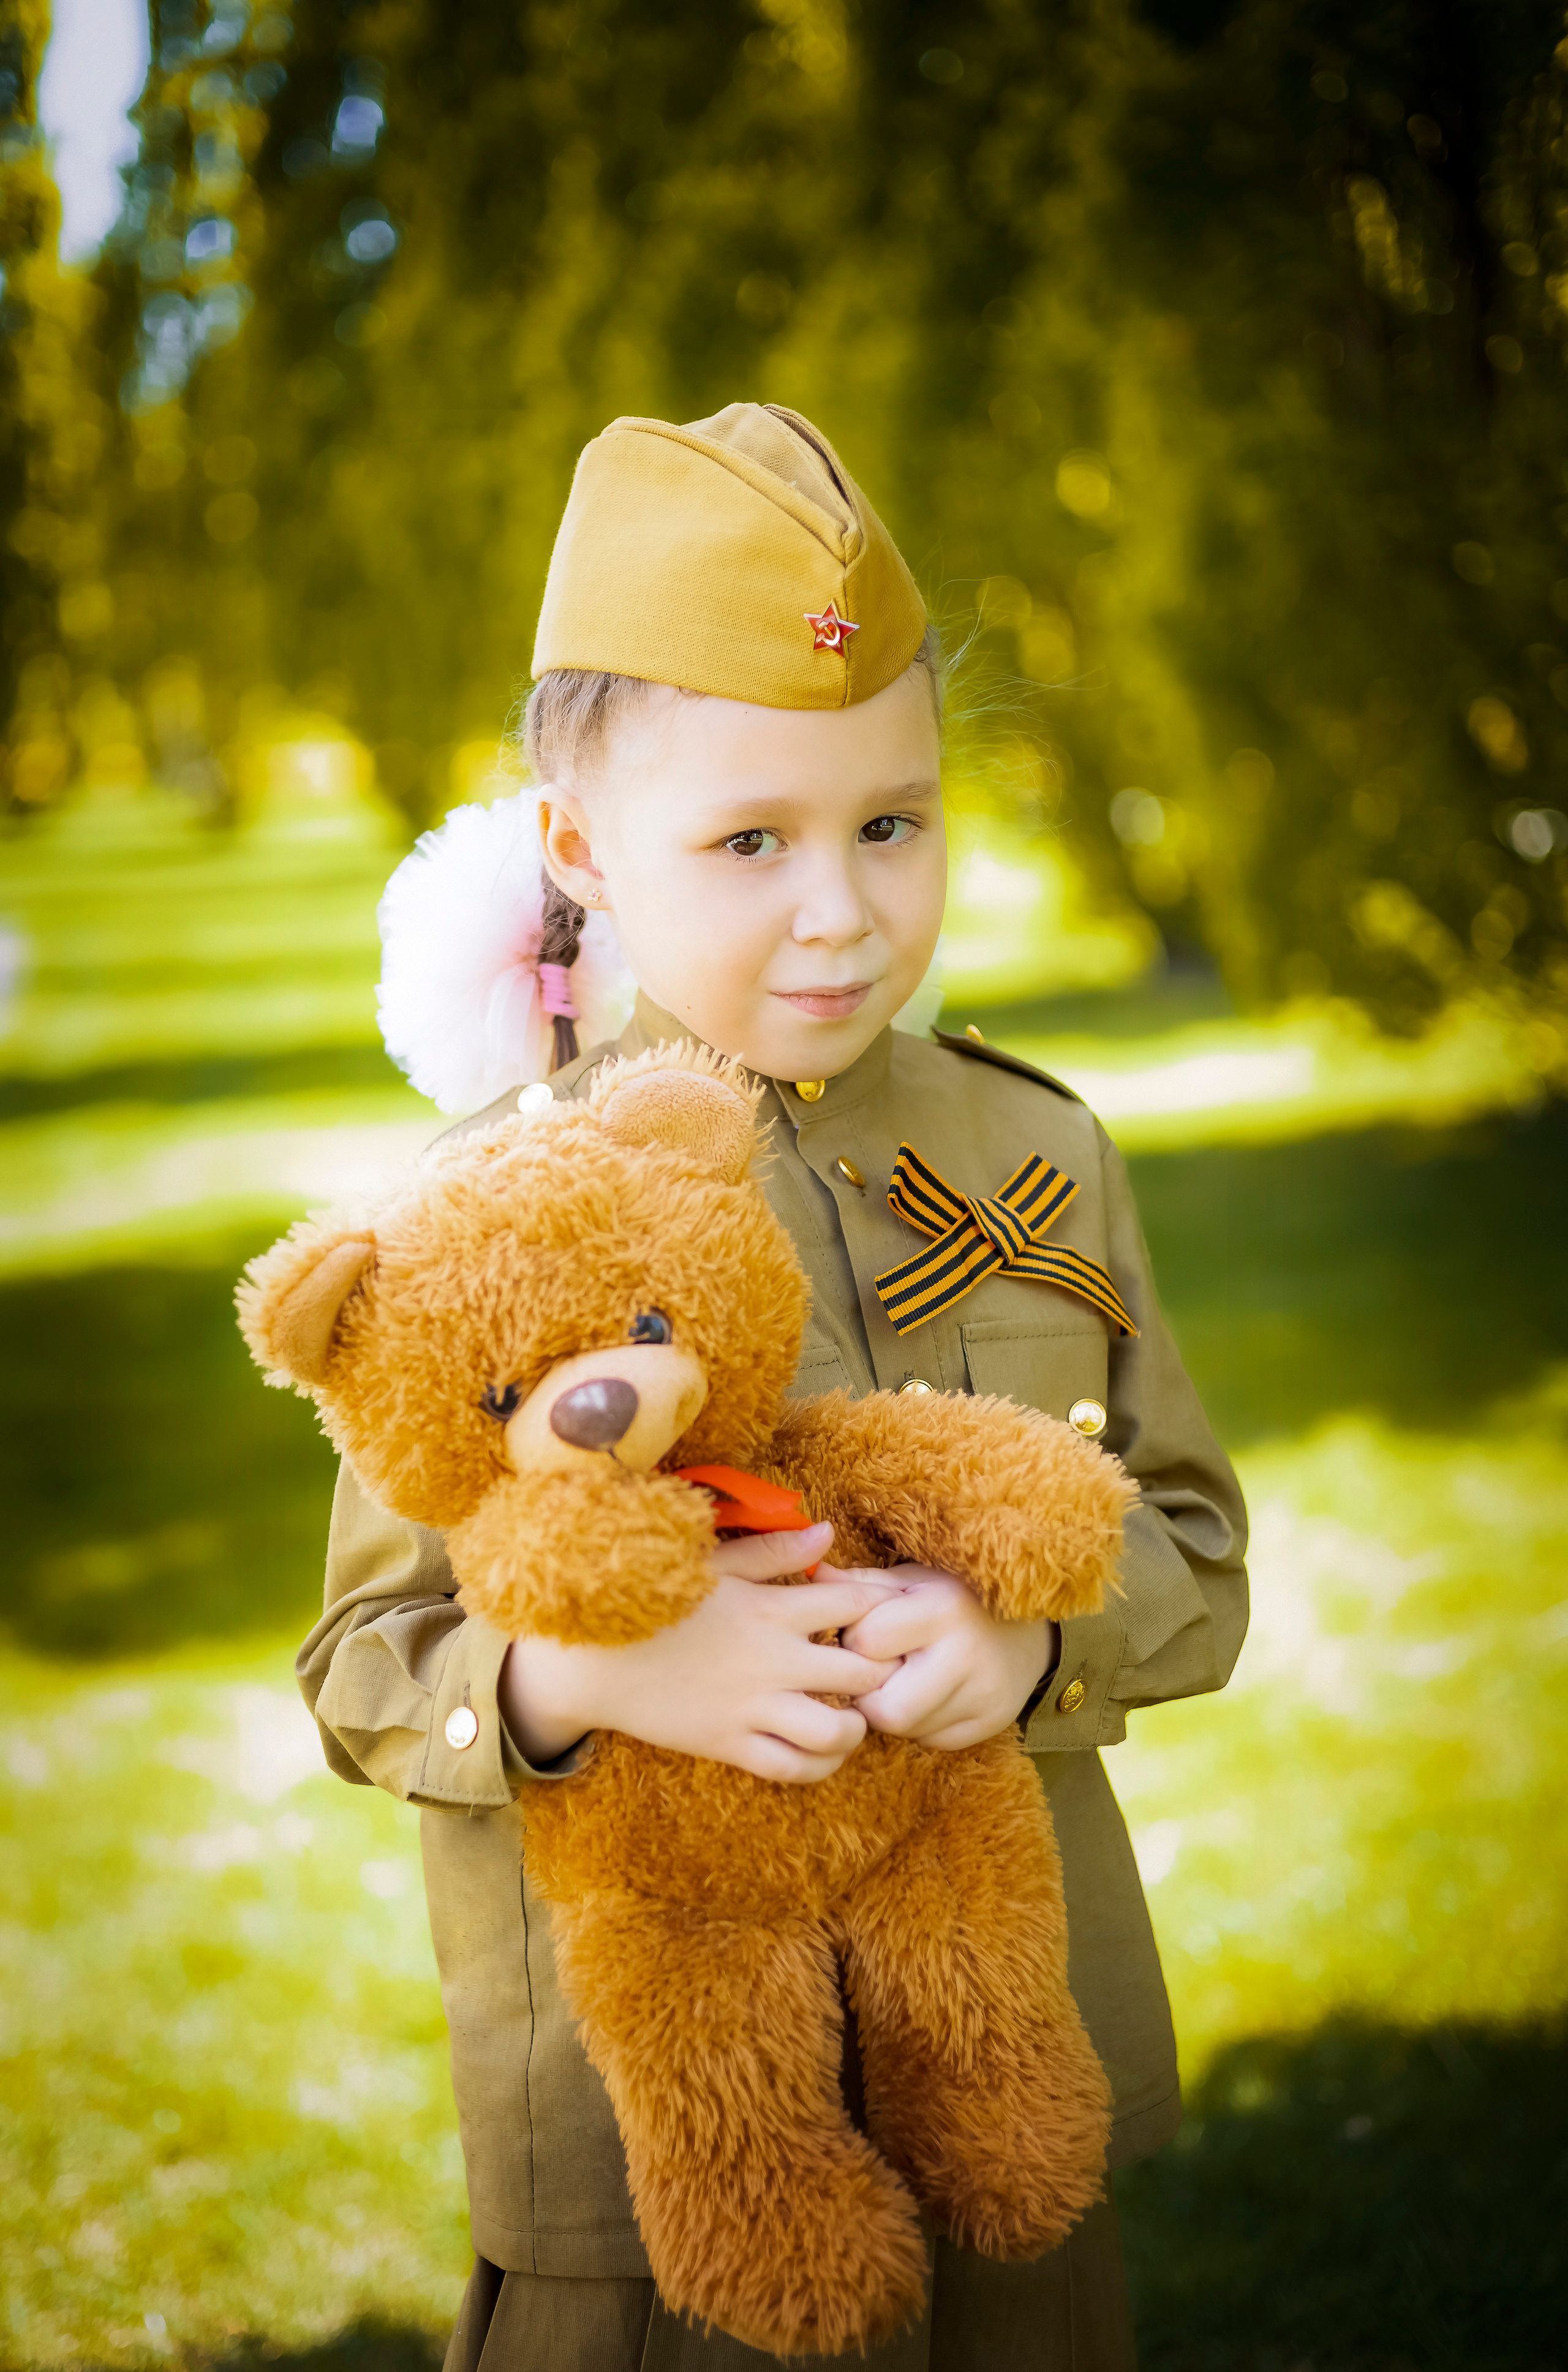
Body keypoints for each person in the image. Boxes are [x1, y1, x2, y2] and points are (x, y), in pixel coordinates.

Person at [297, 402, 1248, 2371]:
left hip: (1004, 2071)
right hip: (663, 2142)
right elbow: (366, 1665)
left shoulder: (1034, 1153)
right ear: (583, 848)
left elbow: (1192, 1543)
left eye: (891, 822)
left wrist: (1029, 1646)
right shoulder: (483, 1212)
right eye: (752, 842)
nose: (842, 908)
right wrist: (591, 1679)